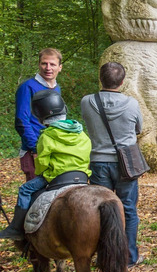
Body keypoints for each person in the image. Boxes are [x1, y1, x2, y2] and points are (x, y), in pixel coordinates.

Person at [0, 90, 91, 240]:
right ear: (64, 109)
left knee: (25, 189)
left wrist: (43, 172)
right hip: (81, 176)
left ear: (39, 115)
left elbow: (41, 163)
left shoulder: (46, 136)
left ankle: (16, 228)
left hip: (57, 178)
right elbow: (87, 153)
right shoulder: (81, 134)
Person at [81, 62, 145, 268]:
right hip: (126, 163)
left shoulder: (87, 101)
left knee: (102, 210)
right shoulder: (132, 104)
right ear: (122, 82)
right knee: (128, 209)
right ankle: (129, 257)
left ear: (101, 79)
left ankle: (105, 256)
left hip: (98, 162)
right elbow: (139, 128)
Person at [15, 48, 63, 182]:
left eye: (52, 64)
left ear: (60, 67)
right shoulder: (27, 87)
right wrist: (35, 149)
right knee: (36, 195)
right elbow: (21, 121)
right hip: (34, 151)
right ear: (39, 65)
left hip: (53, 149)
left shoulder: (56, 88)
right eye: (44, 63)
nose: (48, 68)